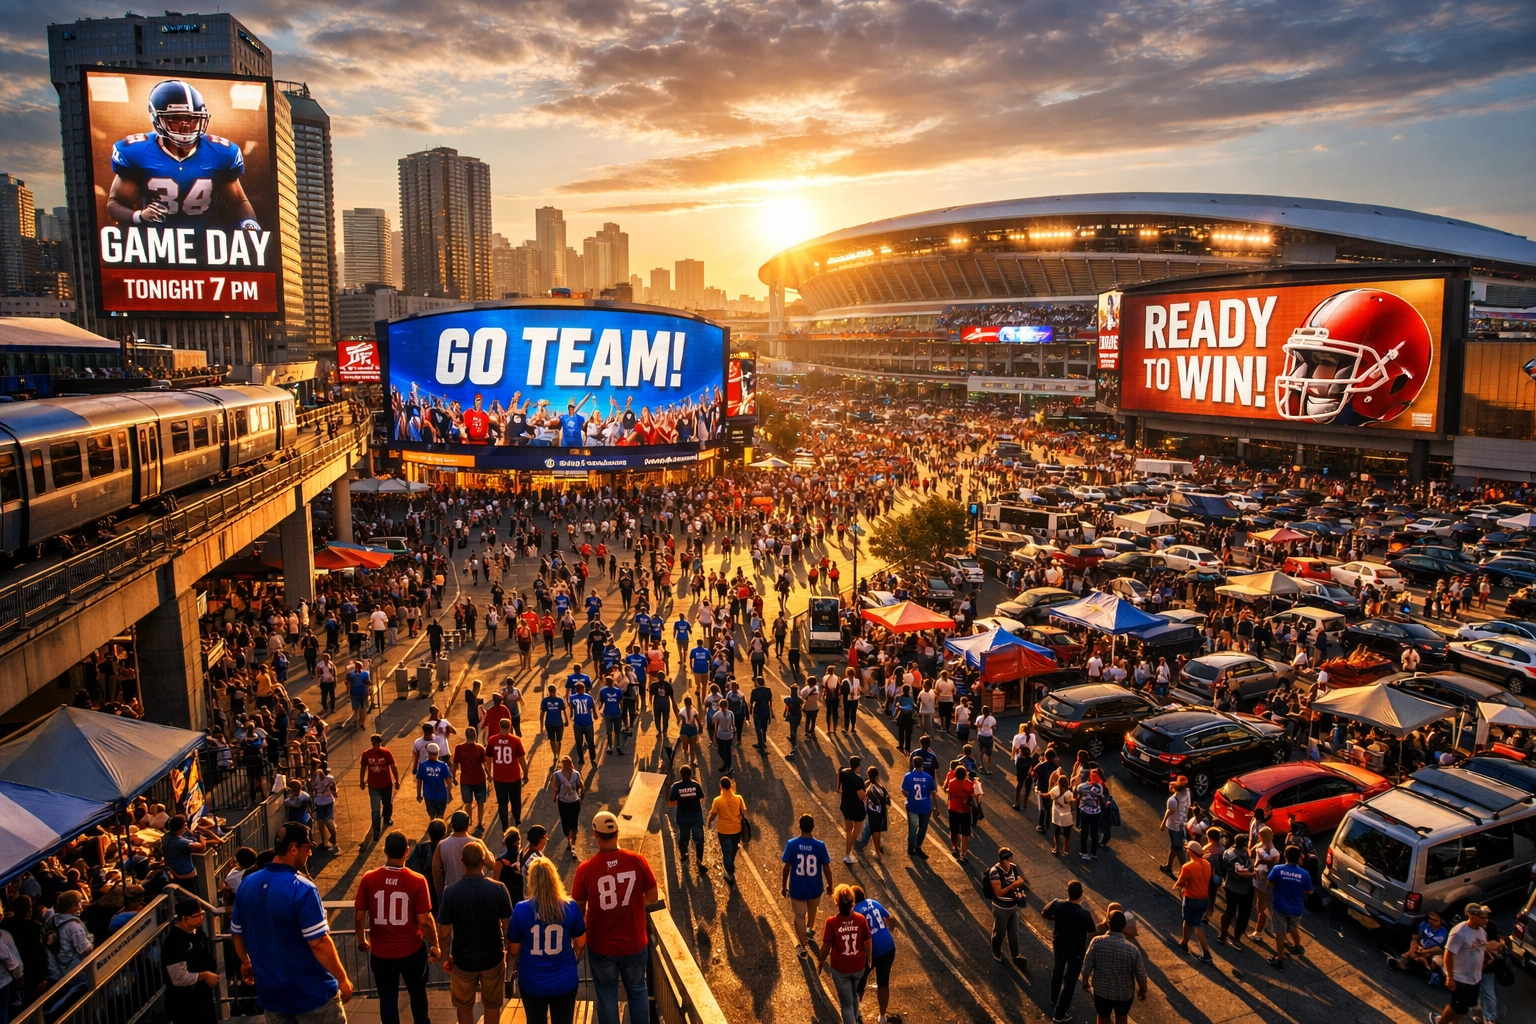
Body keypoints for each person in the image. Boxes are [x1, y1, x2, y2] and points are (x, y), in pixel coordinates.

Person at [230, 822, 354, 1024]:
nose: (310, 854)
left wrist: (246, 961)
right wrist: (342, 978)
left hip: (271, 995)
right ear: (294, 848)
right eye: (308, 849)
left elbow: (236, 933)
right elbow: (319, 942)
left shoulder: (247, 884)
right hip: (311, 994)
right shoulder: (302, 888)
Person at [572, 811, 660, 1024]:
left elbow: (578, 908)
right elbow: (652, 896)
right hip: (635, 941)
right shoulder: (637, 860)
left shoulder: (585, 869)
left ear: (595, 834)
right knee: (638, 989)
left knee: (606, 995)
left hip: (601, 945)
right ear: (618, 832)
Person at [354, 832, 438, 1024]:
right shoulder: (417, 880)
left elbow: (359, 916)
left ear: (384, 850)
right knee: (417, 992)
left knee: (387, 997)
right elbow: (424, 920)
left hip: (381, 952)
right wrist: (435, 944)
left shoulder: (369, 879)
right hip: (412, 950)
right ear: (407, 851)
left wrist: (361, 939)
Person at [437, 841, 512, 1024]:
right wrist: (509, 956)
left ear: (462, 861)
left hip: (463, 960)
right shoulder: (498, 888)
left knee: (464, 1005)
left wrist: (446, 956)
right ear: (483, 860)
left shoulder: (451, 892)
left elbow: (444, 932)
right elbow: (507, 926)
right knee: (492, 1005)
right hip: (492, 958)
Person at [509, 857, 587, 1024]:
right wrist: (574, 958)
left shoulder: (521, 909)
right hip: (564, 979)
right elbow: (580, 943)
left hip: (532, 981)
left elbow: (513, 949)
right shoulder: (570, 907)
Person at [816, 884, 871, 1024]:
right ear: (852, 902)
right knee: (855, 995)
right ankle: (856, 1016)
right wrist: (869, 958)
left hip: (841, 968)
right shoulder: (860, 919)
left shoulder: (831, 922)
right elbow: (868, 942)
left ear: (837, 902)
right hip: (858, 966)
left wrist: (821, 961)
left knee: (846, 1004)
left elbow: (826, 947)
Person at [781, 814, 833, 960]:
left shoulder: (792, 844)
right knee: (812, 910)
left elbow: (786, 868)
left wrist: (783, 886)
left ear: (799, 826)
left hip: (797, 887)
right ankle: (809, 930)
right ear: (813, 827)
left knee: (799, 916)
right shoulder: (820, 845)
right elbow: (827, 869)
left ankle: (802, 946)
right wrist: (830, 885)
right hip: (815, 887)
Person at [1042, 880, 1095, 1022]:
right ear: (1081, 895)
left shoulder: (1058, 904)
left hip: (1059, 943)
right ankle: (1059, 1014)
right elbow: (1091, 930)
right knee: (1069, 982)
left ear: (1068, 892)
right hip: (1075, 950)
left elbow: (1044, 913)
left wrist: (1055, 918)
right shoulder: (1084, 913)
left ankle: (1053, 997)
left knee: (1058, 968)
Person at [1080, 911, 1148, 1024]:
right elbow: (1141, 974)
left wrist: (1085, 980)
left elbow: (1087, 965)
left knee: (1102, 1017)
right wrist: (1142, 990)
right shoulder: (1132, 949)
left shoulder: (1097, 942)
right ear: (1123, 926)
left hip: (1101, 991)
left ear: (1108, 923)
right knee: (1121, 1017)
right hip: (1124, 993)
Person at [161, 898, 219, 1024]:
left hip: (203, 998)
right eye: (196, 916)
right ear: (184, 918)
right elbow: (179, 978)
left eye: (201, 914)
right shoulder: (174, 943)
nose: (201, 918)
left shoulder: (197, 932)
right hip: (186, 1003)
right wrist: (205, 975)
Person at [1433, 903, 1491, 1024]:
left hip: (1474, 979)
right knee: (1457, 1006)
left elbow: (1480, 951)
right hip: (1459, 978)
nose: (1486, 919)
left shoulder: (1482, 931)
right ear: (1471, 915)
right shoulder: (1459, 932)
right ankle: (1439, 1022)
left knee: (1463, 1008)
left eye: (1486, 917)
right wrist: (1450, 977)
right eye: (1482, 917)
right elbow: (1448, 954)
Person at [1265, 844, 1313, 970]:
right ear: (1299, 858)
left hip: (1280, 906)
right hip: (1296, 908)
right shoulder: (1304, 874)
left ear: (1285, 856)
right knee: (1293, 928)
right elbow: (1310, 891)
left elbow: (1269, 883)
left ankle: (1279, 959)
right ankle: (1297, 946)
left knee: (1280, 932)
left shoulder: (1277, 869)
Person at [985, 848, 1030, 970]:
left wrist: (1020, 892)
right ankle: (996, 951)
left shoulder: (1013, 868)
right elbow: (999, 892)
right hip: (1001, 908)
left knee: (1014, 933)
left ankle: (1015, 955)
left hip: (1012, 907)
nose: (1011, 859)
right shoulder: (995, 872)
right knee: (999, 932)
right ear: (1005, 858)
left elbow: (1021, 883)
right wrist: (1015, 884)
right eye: (1009, 857)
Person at [1174, 839, 1214, 963]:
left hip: (1192, 899)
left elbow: (1180, 883)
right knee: (1189, 922)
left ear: (1190, 852)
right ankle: (1184, 943)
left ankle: (1206, 952)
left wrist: (1179, 889)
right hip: (1204, 899)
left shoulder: (1188, 867)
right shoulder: (1207, 864)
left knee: (1196, 925)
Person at [706, 777, 749, 885]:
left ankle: (730, 873)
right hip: (736, 829)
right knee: (733, 850)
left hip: (723, 831)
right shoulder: (738, 798)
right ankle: (730, 866)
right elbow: (744, 812)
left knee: (726, 852)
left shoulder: (717, 800)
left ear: (720, 786)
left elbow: (713, 814)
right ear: (731, 785)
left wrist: (709, 822)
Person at [487, 719, 528, 829]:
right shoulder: (515, 740)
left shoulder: (492, 740)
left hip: (499, 777)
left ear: (499, 727)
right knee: (516, 801)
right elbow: (521, 759)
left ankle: (505, 826)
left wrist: (489, 773)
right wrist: (526, 774)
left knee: (502, 803)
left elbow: (488, 758)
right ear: (510, 727)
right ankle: (517, 820)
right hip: (514, 776)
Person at [1217, 833, 1256, 949]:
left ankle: (1223, 934)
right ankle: (1236, 939)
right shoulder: (1247, 855)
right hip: (1246, 888)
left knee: (1229, 911)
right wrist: (1254, 873)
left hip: (1230, 886)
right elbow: (1245, 873)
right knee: (1243, 915)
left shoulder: (1227, 853)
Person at [360, 734, 401, 842]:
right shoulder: (371, 754)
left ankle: (383, 824)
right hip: (379, 785)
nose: (375, 745)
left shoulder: (382, 753)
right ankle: (379, 829)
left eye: (375, 743)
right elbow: (363, 767)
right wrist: (361, 781)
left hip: (381, 785)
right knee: (380, 808)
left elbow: (393, 766)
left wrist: (397, 780)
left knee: (382, 807)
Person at [668, 765, 707, 873]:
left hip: (683, 817)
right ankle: (699, 861)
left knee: (684, 838)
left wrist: (680, 801)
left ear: (681, 775)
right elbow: (702, 798)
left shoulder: (675, 787)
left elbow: (670, 803)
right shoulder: (696, 785)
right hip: (696, 817)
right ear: (691, 774)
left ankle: (684, 855)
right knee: (699, 840)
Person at [1388, 908, 1447, 976]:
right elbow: (1417, 936)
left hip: (1432, 952)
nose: (1431, 921)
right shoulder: (1425, 925)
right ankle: (1405, 960)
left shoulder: (1443, 932)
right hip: (1420, 947)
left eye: (1435, 920)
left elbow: (1440, 948)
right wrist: (1418, 944)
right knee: (1413, 943)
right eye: (1430, 918)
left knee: (1421, 956)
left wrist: (1425, 951)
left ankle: (1403, 960)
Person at [452, 729, 488, 834]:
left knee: (468, 802)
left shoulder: (459, 748)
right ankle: (480, 823)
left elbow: (455, 764)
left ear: (465, 735)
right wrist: (489, 774)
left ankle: (468, 822)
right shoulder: (480, 748)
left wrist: (453, 776)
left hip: (466, 779)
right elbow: (484, 763)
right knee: (480, 802)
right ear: (475, 736)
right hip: (479, 778)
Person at [433, 812, 476, 898]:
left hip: (451, 891)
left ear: (452, 825)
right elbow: (490, 865)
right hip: (474, 890)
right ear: (468, 825)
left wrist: (439, 891)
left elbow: (436, 870)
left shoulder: (442, 844)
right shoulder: (477, 843)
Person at [901, 756, 934, 858]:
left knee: (913, 828)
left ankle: (911, 849)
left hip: (912, 806)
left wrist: (907, 796)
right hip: (925, 806)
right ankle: (918, 846)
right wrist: (936, 806)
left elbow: (903, 790)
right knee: (922, 828)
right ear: (922, 764)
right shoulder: (928, 777)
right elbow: (933, 791)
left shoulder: (908, 776)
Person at [551, 756, 585, 855]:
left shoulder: (558, 775)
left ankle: (570, 842)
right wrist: (581, 797)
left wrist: (555, 794)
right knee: (572, 822)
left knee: (568, 822)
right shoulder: (575, 774)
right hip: (573, 802)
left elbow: (555, 787)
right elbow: (582, 786)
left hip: (564, 802)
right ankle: (572, 843)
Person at [944, 764, 977, 860]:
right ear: (965, 774)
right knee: (965, 832)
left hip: (953, 808)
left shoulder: (951, 782)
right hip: (965, 810)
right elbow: (974, 795)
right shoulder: (970, 784)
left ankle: (955, 847)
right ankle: (963, 851)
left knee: (954, 829)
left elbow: (949, 792)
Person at [1159, 776, 1191, 877]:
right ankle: (1168, 866)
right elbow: (1189, 807)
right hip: (1183, 824)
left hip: (1174, 827)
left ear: (1174, 789)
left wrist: (1163, 823)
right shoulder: (1187, 792)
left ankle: (1185, 872)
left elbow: (1169, 812)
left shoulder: (1172, 800)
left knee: (1178, 849)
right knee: (1174, 846)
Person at [838, 755, 866, 865]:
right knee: (856, 831)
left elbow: (839, 788)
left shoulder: (844, 772)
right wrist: (868, 788)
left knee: (849, 831)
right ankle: (848, 853)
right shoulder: (858, 780)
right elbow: (862, 796)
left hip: (845, 805)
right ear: (858, 767)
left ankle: (848, 854)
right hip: (856, 808)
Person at [415, 744, 452, 821]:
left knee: (432, 816)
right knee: (440, 816)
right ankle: (440, 828)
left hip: (429, 795)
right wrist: (449, 791)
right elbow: (448, 782)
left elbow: (419, 781)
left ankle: (433, 827)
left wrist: (418, 794)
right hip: (441, 795)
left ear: (428, 752)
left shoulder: (423, 765)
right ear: (438, 752)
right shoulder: (443, 765)